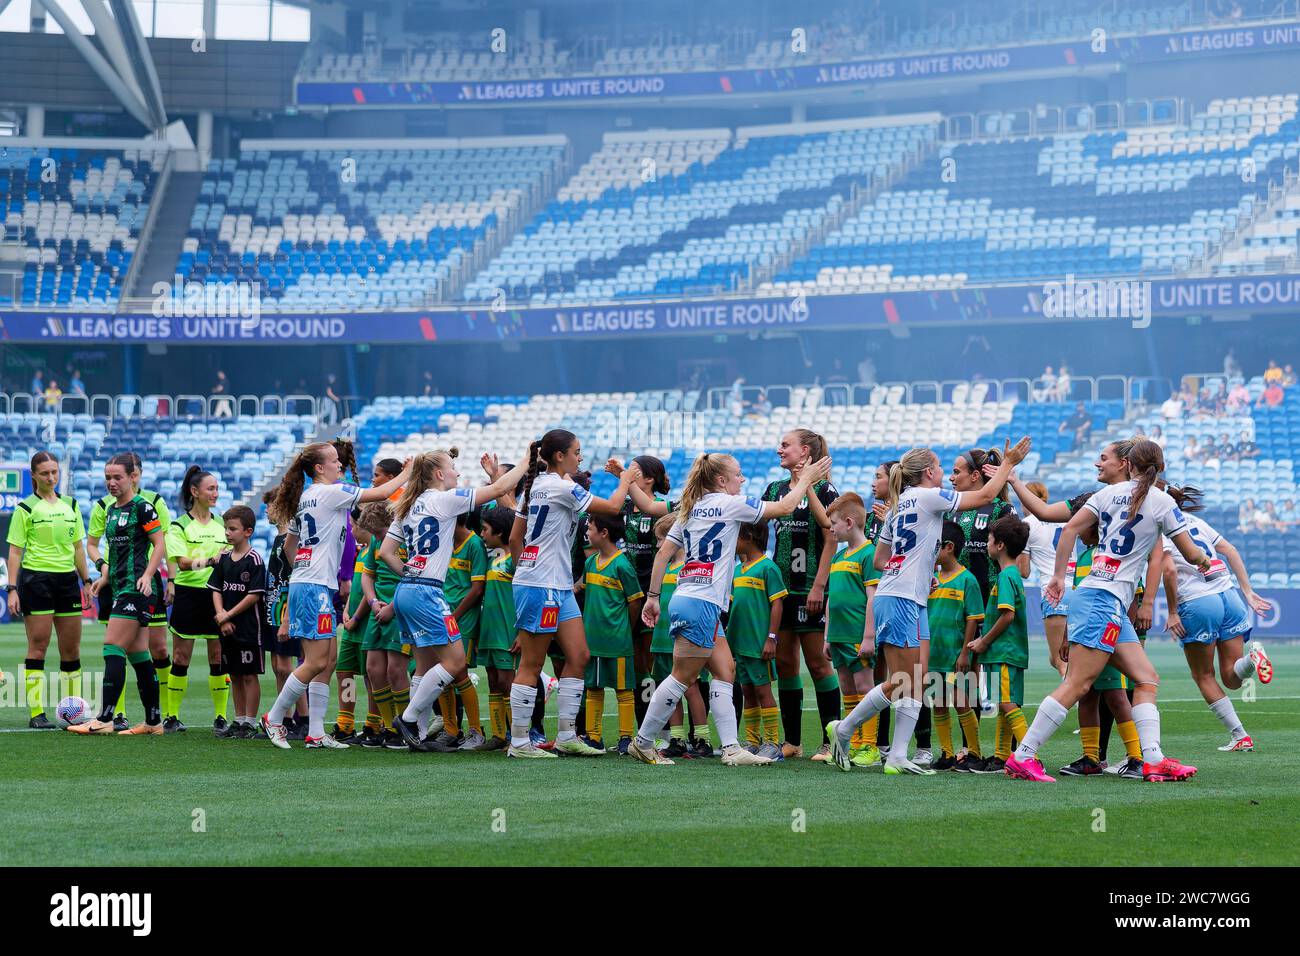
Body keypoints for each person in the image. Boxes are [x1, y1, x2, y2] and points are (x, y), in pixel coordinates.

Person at [1007, 438, 1211, 783]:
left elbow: (1070, 528)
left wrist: (1058, 576)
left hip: (1103, 598)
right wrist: (1208, 562)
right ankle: (1023, 756)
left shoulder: (1103, 496)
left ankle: (1153, 759)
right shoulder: (1160, 501)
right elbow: (1189, 553)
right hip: (1103, 600)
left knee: (1146, 679)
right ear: (1158, 468)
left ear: (1128, 464)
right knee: (1078, 684)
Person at [826, 437, 1030, 775]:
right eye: (939, 467)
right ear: (927, 472)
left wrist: (918, 573)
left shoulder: (898, 505)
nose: (943, 473)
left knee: (917, 680)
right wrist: (1008, 463)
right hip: (903, 598)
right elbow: (984, 496)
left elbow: (880, 559)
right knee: (905, 679)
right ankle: (844, 729)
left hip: (910, 596)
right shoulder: (927, 496)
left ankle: (897, 756)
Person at [629, 451, 832, 766]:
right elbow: (785, 507)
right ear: (721, 480)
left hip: (689, 599)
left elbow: (662, 555)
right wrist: (806, 479)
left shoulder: (690, 507)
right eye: (738, 474)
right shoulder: (729, 503)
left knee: (725, 670)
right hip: (701, 602)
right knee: (682, 676)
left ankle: (731, 749)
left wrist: (654, 597)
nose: (743, 479)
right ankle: (642, 742)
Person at [260, 443, 412, 749]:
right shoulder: (330, 492)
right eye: (334, 462)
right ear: (319, 468)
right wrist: (408, 472)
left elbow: (290, 545)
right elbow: (382, 494)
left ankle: (316, 732)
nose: (339, 466)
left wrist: (304, 567)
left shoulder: (306, 497)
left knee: (327, 660)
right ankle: (274, 717)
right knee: (315, 661)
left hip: (313, 583)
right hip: (314, 586)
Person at [504, 430, 637, 759]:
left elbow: (515, 540)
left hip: (556, 584)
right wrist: (627, 478)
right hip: (543, 584)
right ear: (560, 456)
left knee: (579, 656)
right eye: (576, 452)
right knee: (532, 663)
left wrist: (528, 568)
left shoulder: (535, 488)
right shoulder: (562, 486)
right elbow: (614, 506)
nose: (580, 457)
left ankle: (566, 735)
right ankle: (520, 743)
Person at [384, 450, 529, 752]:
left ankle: (418, 735)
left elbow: (386, 552)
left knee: (424, 665)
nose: (457, 473)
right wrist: (528, 460)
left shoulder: (407, 506)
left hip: (407, 590)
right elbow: (500, 489)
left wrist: (409, 571)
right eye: (453, 468)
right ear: (438, 474)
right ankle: (410, 719)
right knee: (456, 662)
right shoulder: (443, 500)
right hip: (427, 592)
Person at [1160, 485, 1273, 752]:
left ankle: (1240, 734)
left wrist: (1173, 610)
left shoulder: (1162, 527)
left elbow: (1168, 570)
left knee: (1204, 675)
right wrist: (1247, 591)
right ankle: (1252, 660)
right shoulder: (1195, 521)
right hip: (1229, 595)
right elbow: (1230, 550)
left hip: (1199, 601)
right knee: (1232, 678)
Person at [67, 454, 166, 736]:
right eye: (107, 477)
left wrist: (147, 575)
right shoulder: (111, 510)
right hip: (120, 584)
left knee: (112, 645)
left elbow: (159, 545)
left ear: (132, 477)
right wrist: (104, 577)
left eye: (117, 477)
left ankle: (105, 718)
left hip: (137, 587)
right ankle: (153, 722)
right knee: (138, 654)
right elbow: (115, 552)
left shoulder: (143, 508)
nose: (111, 482)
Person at [762, 429, 840, 761]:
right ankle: (792, 741)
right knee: (785, 664)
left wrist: (819, 585)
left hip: (810, 589)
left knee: (820, 665)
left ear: (804, 451)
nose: (779, 449)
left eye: (785, 445)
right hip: (782, 590)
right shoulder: (775, 489)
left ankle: (831, 741)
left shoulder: (824, 489)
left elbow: (832, 538)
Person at [6, 451, 92, 728]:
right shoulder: (26, 508)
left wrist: (86, 581)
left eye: (54, 472)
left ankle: (72, 714)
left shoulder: (72, 505)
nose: (51, 477)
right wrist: (11, 588)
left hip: (67, 581)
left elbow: (78, 548)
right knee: (39, 645)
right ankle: (36, 713)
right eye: (45, 473)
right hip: (36, 580)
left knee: (71, 650)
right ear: (34, 476)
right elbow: (15, 552)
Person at [963, 515, 1032, 775]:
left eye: (990, 540)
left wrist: (983, 641)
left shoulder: (1005, 578)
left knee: (1006, 704)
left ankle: (1028, 754)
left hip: (1004, 650)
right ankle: (1003, 756)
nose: (987, 544)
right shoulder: (1011, 575)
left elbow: (1007, 614)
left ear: (1000, 545)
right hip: (1003, 651)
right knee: (1005, 702)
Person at [164, 466, 230, 734]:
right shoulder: (179, 525)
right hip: (189, 594)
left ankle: (221, 717)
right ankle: (172, 716)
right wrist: (210, 561)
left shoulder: (222, 522)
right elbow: (181, 563)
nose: (215, 493)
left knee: (218, 656)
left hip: (216, 595)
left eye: (216, 488)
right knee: (181, 656)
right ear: (195, 492)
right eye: (210, 488)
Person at [822, 493, 882, 768]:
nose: (830, 529)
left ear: (849, 522)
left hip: (858, 635)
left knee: (864, 687)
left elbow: (873, 597)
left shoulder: (869, 554)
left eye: (833, 523)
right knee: (847, 688)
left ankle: (869, 746)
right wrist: (826, 636)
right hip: (837, 636)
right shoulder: (838, 557)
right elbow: (831, 599)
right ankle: (852, 742)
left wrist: (869, 636)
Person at [580, 513, 644, 754]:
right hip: (592, 640)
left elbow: (635, 601)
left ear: (604, 533)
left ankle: (626, 737)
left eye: (590, 528)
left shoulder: (622, 565)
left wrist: (625, 628)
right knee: (594, 688)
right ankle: (593, 738)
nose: (587, 532)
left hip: (617, 640)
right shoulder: (589, 563)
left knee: (623, 690)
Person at [925, 520, 985, 772]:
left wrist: (964, 653)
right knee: (937, 702)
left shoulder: (967, 580)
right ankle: (947, 753)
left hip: (955, 655)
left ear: (948, 548)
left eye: (934, 546)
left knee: (962, 701)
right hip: (933, 654)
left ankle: (975, 753)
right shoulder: (930, 578)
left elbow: (973, 618)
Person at [430, 509, 489, 750]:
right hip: (443, 616)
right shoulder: (444, 542)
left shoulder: (475, 544)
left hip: (462, 619)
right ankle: (451, 729)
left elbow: (477, 589)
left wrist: (455, 615)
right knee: (442, 672)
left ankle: (476, 730)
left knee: (460, 672)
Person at [730, 521, 788, 761]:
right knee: (747, 691)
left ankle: (772, 742)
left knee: (763, 691)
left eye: (736, 536)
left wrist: (771, 638)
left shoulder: (768, 568)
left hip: (758, 643)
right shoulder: (737, 569)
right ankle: (753, 741)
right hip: (739, 644)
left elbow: (777, 604)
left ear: (750, 536)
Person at [208, 506, 266, 738]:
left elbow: (254, 595)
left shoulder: (254, 560)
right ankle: (239, 719)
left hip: (248, 627)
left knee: (249, 674)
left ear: (248, 532)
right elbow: (215, 589)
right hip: (226, 626)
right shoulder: (223, 558)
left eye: (233, 529)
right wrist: (221, 614)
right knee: (234, 673)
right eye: (226, 528)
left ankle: (250, 722)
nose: (227, 533)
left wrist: (228, 615)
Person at [261, 489, 308, 739]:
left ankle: (304, 719)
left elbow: (294, 577)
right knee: (279, 666)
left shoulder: (290, 540)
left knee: (287, 665)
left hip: (285, 606)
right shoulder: (279, 538)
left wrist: (288, 615)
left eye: (269, 506)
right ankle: (285, 718)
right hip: (273, 606)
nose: (266, 511)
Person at [477, 506, 518, 751]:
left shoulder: (514, 559)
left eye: (485, 529)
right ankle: (498, 735)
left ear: (500, 532)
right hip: (489, 631)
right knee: (493, 680)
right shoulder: (494, 558)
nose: (482, 534)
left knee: (508, 681)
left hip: (507, 631)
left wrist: (522, 632)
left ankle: (517, 735)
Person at [1020, 481, 1070, 678]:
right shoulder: (1064, 519)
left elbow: (1024, 571)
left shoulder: (1027, 525)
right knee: (1062, 657)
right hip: (1075, 588)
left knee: (1059, 660)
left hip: (1052, 590)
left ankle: (1067, 702)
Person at [335, 510, 374, 745]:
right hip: (353, 621)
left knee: (372, 676)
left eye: (353, 526)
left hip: (366, 622)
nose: (352, 530)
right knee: (344, 671)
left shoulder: (377, 551)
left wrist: (356, 617)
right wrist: (347, 611)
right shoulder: (361, 552)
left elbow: (371, 590)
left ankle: (373, 723)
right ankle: (345, 723)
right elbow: (356, 589)